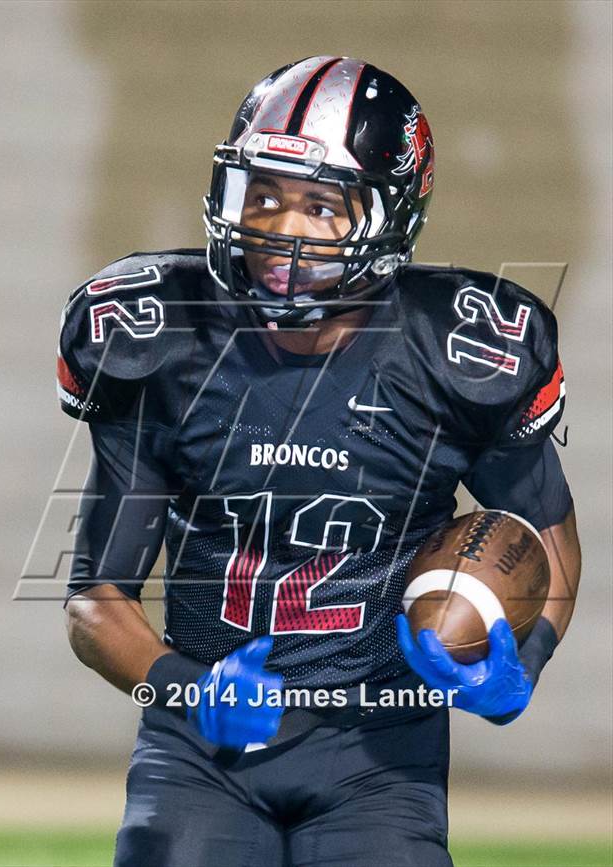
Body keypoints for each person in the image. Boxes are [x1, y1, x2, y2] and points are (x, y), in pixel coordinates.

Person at [59, 56, 581, 867]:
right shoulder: (162, 342)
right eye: (262, 195)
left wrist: (527, 657)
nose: (280, 228)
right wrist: (186, 686)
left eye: (319, 206)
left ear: (388, 216)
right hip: (201, 748)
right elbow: (95, 600)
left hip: (379, 753)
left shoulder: (457, 353)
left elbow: (546, 541)